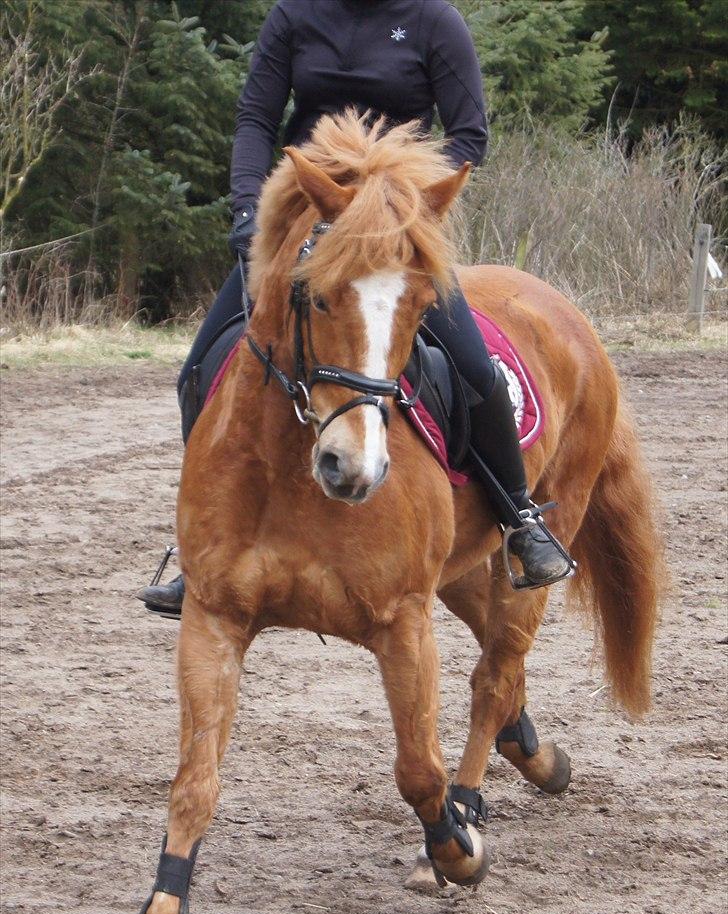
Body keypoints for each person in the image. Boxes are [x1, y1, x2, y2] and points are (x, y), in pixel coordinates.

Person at [139, 0, 572, 616]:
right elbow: (256, 119)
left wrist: (398, 206)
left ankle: (520, 516)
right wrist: (245, 211)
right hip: (304, 222)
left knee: (476, 370)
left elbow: (469, 134)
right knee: (197, 371)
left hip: (397, 230)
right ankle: (202, 545)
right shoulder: (295, 15)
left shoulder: (434, 21)